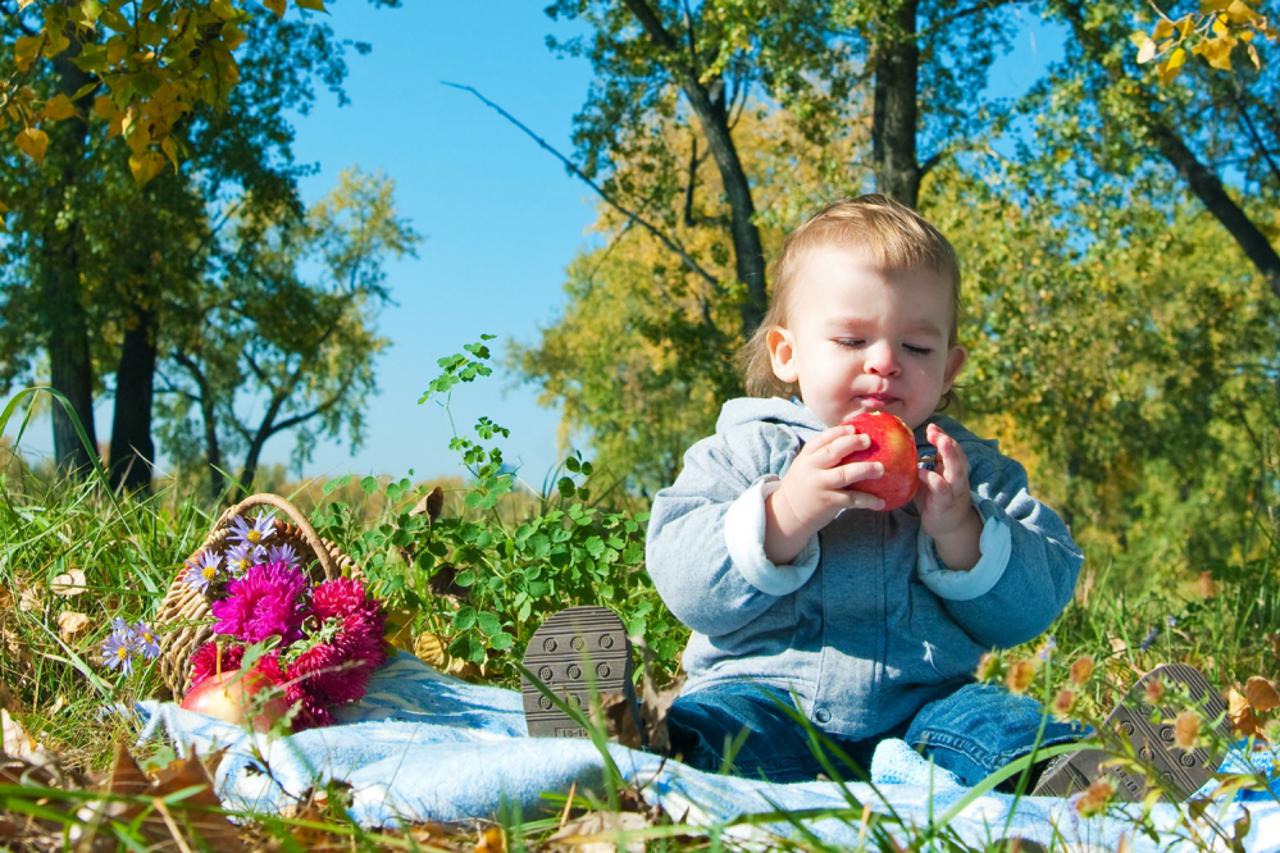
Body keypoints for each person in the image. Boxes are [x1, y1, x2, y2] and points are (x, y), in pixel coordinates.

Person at [521, 195, 1226, 800]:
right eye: (852, 338)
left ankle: (1098, 776)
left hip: (930, 701)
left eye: (916, 349)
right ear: (788, 353)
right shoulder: (746, 451)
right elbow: (683, 581)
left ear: (949, 369)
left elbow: (1037, 600)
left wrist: (962, 529)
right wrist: (785, 514)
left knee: (999, 726)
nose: (885, 362)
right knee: (722, 732)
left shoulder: (966, 469)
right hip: (770, 692)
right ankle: (624, 742)